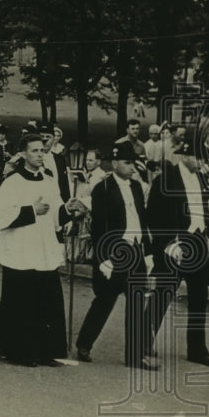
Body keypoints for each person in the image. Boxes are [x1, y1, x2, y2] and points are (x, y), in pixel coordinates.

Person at [0, 133, 84, 366]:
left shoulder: (49, 180)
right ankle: (19, 351)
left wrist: (68, 208)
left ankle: (46, 351)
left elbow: (55, 216)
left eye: (42, 151)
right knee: (22, 303)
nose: (40, 155)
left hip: (43, 249)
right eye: (34, 151)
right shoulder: (12, 182)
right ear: (22, 154)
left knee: (46, 302)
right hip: (21, 251)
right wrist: (31, 211)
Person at [75, 141, 156, 369]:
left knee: (136, 302)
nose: (132, 168)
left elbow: (142, 220)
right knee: (105, 300)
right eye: (127, 163)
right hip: (115, 252)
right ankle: (84, 343)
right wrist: (105, 258)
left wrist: (147, 253)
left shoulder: (137, 187)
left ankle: (135, 355)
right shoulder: (103, 188)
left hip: (136, 250)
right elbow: (100, 227)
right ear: (115, 163)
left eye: (134, 163)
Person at [146, 138, 209, 367]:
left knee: (199, 296)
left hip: (197, 243)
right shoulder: (165, 180)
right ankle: (143, 342)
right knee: (162, 295)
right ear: (186, 156)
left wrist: (206, 233)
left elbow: (201, 209)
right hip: (174, 246)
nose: (202, 162)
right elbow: (153, 217)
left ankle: (197, 350)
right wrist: (167, 245)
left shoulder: (199, 179)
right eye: (199, 157)